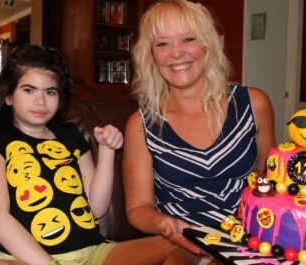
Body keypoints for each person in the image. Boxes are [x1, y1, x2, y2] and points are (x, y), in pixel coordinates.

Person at [0, 45, 177, 265]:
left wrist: (106, 150)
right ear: (8, 97)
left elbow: (96, 208)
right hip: (30, 260)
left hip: (94, 254)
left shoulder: (69, 135)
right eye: (29, 90)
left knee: (182, 245)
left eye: (50, 92)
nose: (41, 101)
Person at [122, 0, 276, 264]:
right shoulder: (140, 125)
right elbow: (138, 208)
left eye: (188, 39)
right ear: (150, 55)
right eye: (162, 43)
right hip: (179, 242)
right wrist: (165, 224)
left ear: (208, 45)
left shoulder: (254, 104)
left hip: (245, 240)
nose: (176, 52)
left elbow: (273, 182)